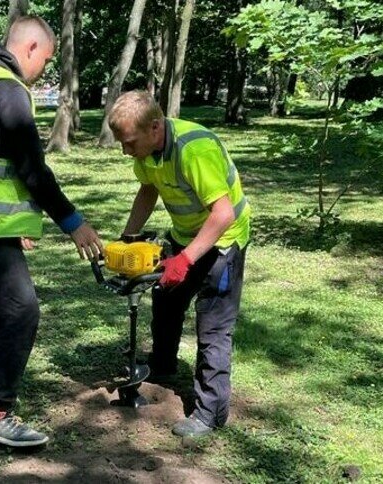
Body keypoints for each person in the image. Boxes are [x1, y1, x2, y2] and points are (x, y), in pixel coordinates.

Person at [0, 15, 103, 448]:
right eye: (45, 60)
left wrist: (20, 225)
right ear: (30, 48)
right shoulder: (9, 91)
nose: (43, 70)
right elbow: (32, 168)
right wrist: (73, 222)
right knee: (22, 308)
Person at [107, 90, 251, 438]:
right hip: (184, 235)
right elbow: (148, 191)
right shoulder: (147, 151)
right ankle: (163, 365)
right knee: (166, 301)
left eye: (129, 143)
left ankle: (209, 413)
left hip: (224, 240)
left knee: (213, 327)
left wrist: (186, 259)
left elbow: (223, 213)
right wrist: (127, 239)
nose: (126, 151)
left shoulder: (193, 150)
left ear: (155, 128)